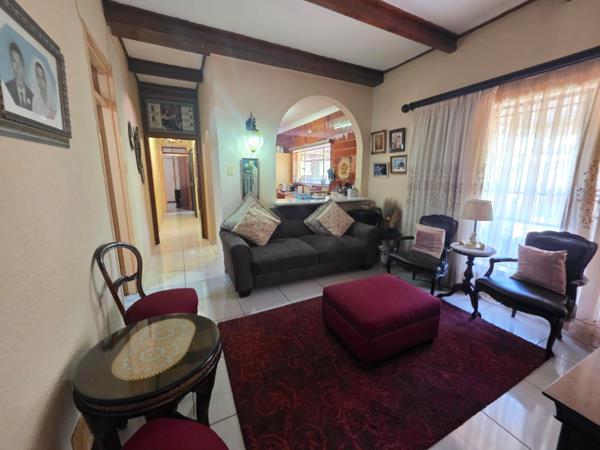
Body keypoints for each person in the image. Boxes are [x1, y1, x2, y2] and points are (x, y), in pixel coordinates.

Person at [5, 42, 33, 110]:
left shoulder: (32, 95)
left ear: (23, 65)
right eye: (14, 61)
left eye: (19, 61)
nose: (18, 66)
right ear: (11, 64)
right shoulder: (6, 89)